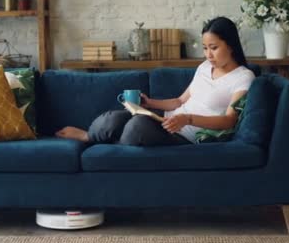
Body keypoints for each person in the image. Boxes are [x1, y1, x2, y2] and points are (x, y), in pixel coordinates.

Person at [56, 16, 256, 146]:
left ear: (230, 45)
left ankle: (106, 143)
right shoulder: (204, 68)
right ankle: (88, 137)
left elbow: (229, 120)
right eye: (204, 48)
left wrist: (188, 119)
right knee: (113, 118)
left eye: (213, 47)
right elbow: (179, 101)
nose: (208, 54)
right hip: (167, 120)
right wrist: (148, 103)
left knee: (137, 127)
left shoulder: (243, 77)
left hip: (184, 136)